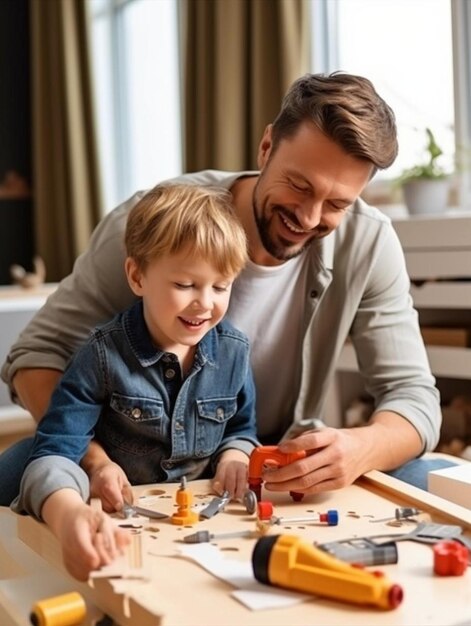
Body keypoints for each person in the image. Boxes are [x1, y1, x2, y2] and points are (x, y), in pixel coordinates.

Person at [1, 72, 454, 509]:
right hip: (134, 467)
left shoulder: (369, 242)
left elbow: (412, 396)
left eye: (337, 204)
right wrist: (93, 458)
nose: (311, 218)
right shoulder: (157, 222)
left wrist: (361, 448)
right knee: (23, 466)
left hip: (262, 464)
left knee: (425, 476)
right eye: (299, 185)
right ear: (266, 146)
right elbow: (37, 355)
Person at [10, 183, 259, 580]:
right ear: (137, 276)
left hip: (194, 522)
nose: (205, 303)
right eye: (184, 285)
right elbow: (55, 449)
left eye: (220, 286)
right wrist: (93, 474)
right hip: (117, 515)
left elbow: (242, 427)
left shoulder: (234, 352)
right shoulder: (100, 355)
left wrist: (235, 455)